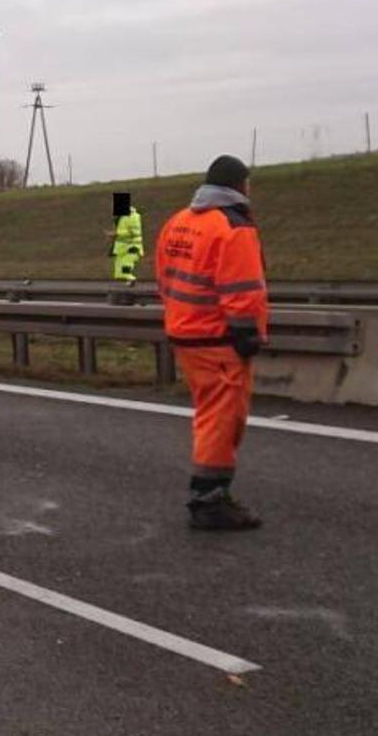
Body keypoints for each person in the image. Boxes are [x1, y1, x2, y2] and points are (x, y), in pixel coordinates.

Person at [154, 155, 269, 530]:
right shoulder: (234, 226)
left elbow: (163, 276)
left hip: (184, 331)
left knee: (210, 415)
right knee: (222, 419)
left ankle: (209, 494)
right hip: (218, 338)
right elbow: (243, 289)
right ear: (239, 185)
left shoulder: (179, 222)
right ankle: (209, 499)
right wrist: (247, 334)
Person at [109, 192, 144, 281]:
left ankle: (130, 279)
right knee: (118, 269)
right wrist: (114, 235)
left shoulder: (133, 217)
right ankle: (127, 281)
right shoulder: (119, 217)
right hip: (121, 246)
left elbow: (135, 232)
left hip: (132, 246)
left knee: (126, 263)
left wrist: (117, 234)